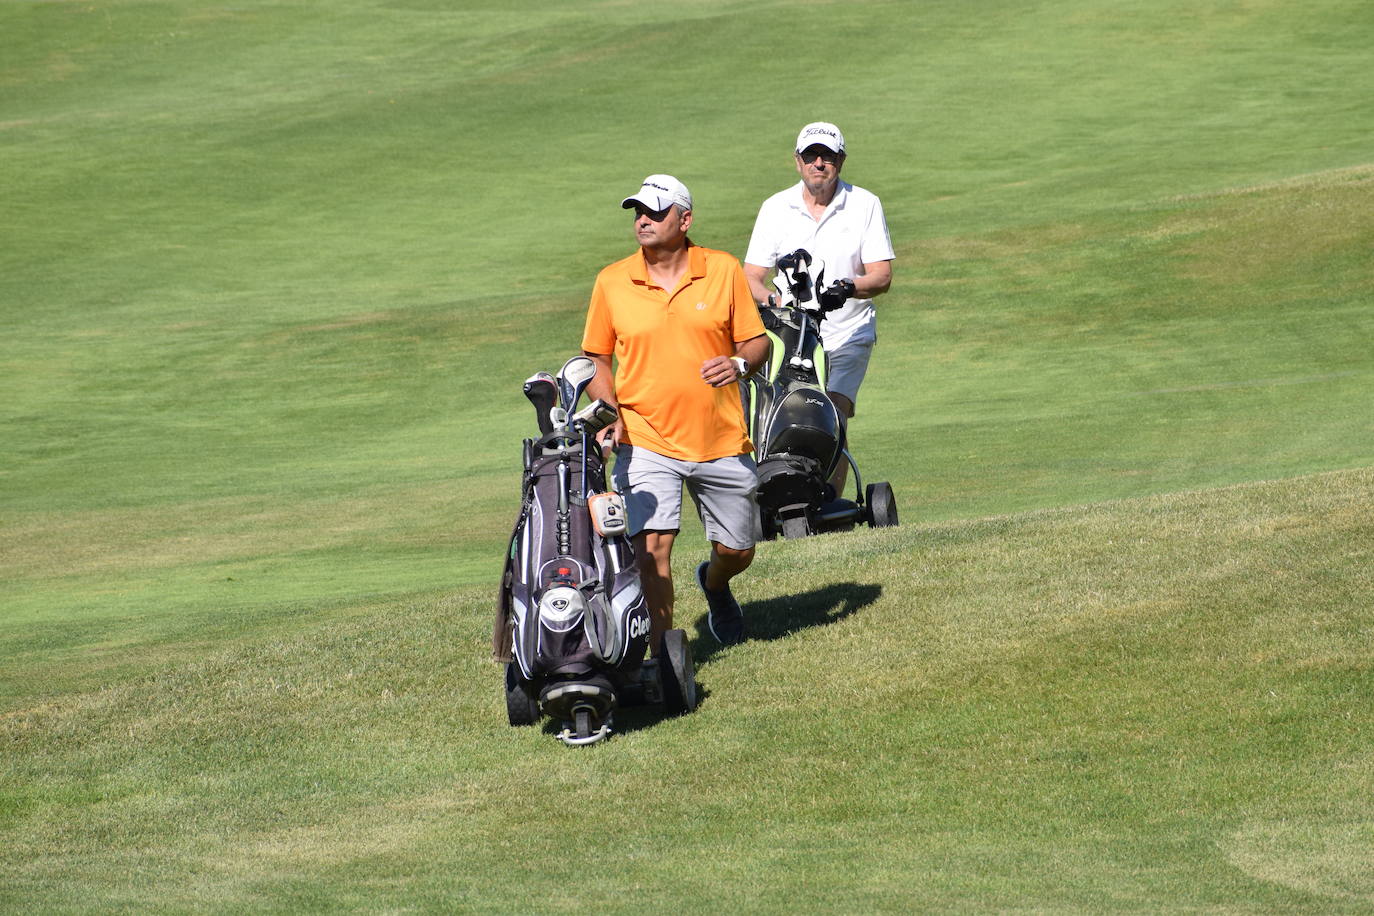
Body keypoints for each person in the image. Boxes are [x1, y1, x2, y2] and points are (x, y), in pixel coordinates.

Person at [582, 174, 770, 649]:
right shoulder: (613, 280)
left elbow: (757, 341)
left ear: (684, 220)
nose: (642, 220)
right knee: (651, 551)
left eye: (655, 212)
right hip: (645, 439)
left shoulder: (723, 269)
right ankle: (663, 659)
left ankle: (715, 582)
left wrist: (739, 363)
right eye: (637, 212)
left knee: (738, 549)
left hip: (720, 436)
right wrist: (611, 412)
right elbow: (596, 360)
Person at [743, 122, 895, 500]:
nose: (818, 163)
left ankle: (825, 502)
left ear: (840, 161)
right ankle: (773, 493)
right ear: (797, 162)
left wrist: (846, 289)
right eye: (810, 155)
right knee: (773, 413)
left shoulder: (864, 204)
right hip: (787, 335)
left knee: (834, 415)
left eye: (827, 156)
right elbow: (751, 276)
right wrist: (771, 300)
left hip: (847, 332)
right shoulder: (776, 207)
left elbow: (881, 275)